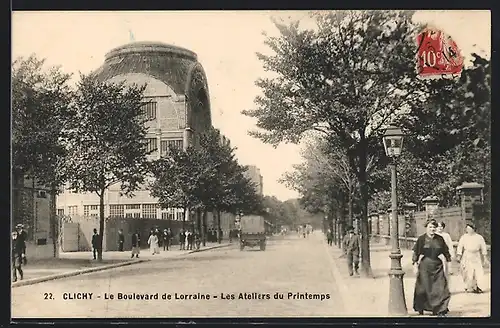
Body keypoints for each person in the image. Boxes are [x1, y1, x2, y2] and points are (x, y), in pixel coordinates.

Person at [412, 219, 451, 316]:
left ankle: (440, 309)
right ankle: (421, 307)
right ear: (426, 228)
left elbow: (446, 252)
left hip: (437, 266)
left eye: (434, 227)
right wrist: (415, 265)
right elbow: (416, 252)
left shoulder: (440, 239)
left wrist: (449, 264)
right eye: (430, 227)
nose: (432, 229)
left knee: (441, 288)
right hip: (425, 266)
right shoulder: (421, 239)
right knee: (423, 288)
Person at [456, 222, 489, 294]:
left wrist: (485, 258)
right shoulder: (464, 237)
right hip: (467, 255)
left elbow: (483, 247)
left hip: (476, 256)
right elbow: (460, 246)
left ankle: (476, 286)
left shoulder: (479, 237)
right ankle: (468, 286)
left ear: (474, 229)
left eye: (470, 228)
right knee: (467, 272)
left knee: (477, 272)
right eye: (467, 229)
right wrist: (459, 255)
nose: (469, 230)